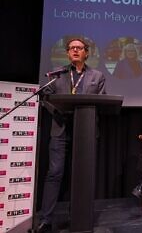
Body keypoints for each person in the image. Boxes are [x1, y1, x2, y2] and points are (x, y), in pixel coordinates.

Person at [35, 38, 106, 233]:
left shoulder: (97, 76)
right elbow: (45, 98)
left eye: (79, 48)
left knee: (82, 176)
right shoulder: (57, 75)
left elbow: (102, 102)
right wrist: (59, 110)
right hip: (60, 130)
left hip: (86, 133)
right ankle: (46, 220)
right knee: (54, 173)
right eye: (71, 48)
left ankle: (78, 217)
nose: (75, 50)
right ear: (68, 53)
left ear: (86, 53)